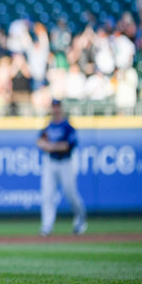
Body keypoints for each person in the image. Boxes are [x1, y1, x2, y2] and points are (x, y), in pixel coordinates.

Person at [36, 99, 87, 237]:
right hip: (50, 163)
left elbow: (67, 146)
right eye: (53, 107)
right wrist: (52, 146)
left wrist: (51, 146)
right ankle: (47, 226)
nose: (55, 109)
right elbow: (39, 141)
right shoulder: (48, 126)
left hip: (66, 162)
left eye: (57, 106)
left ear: (61, 108)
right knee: (47, 195)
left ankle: (80, 220)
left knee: (70, 193)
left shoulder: (67, 126)